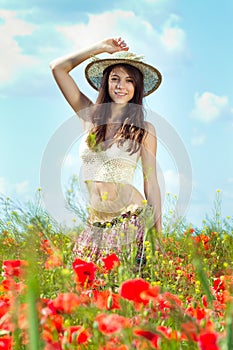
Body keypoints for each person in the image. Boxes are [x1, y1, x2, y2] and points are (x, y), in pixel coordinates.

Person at [50, 37, 162, 264]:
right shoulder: (90, 116)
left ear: (137, 88)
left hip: (130, 219)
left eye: (129, 81)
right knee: (87, 291)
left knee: (123, 290)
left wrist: (157, 234)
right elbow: (58, 68)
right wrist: (99, 48)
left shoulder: (144, 130)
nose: (121, 86)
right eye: (115, 79)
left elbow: (151, 183)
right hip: (95, 224)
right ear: (106, 83)